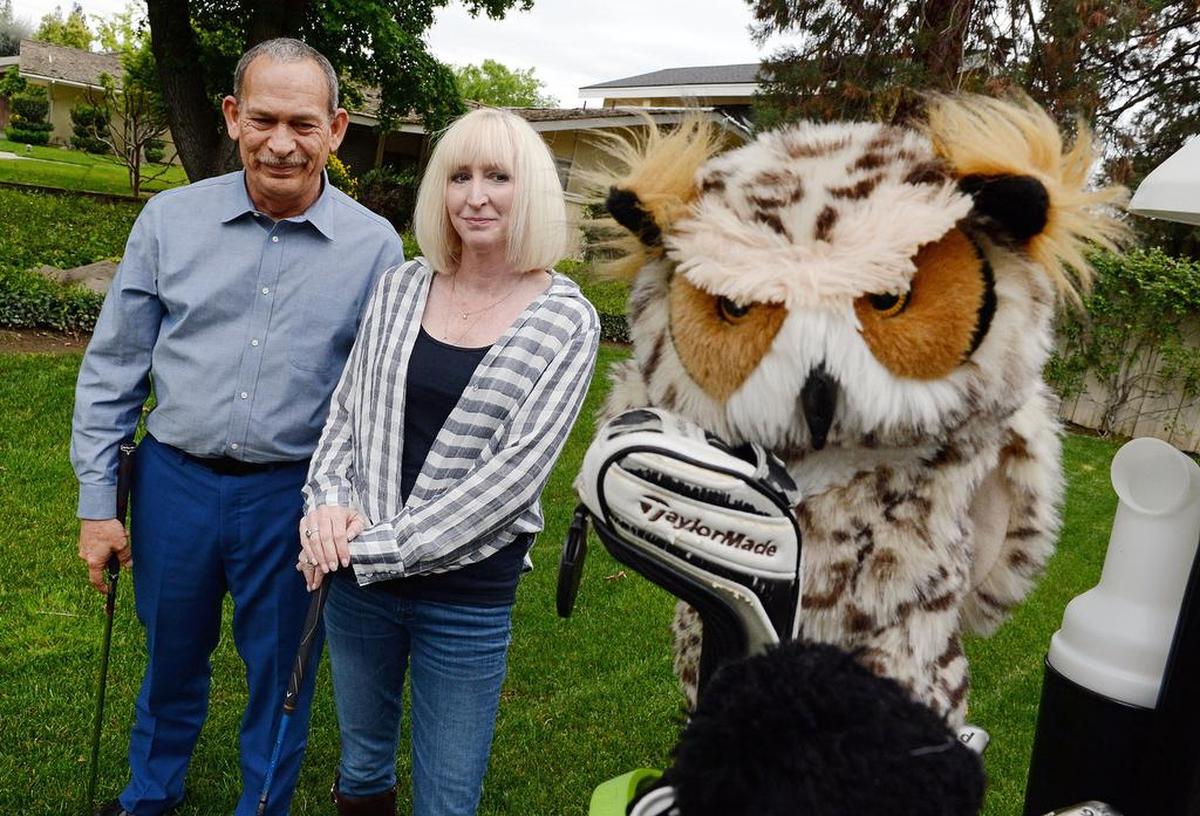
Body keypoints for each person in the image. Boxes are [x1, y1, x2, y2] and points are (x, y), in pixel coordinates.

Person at [71, 38, 405, 816]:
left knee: (281, 675)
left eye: (302, 122)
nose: (281, 142)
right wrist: (98, 505)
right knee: (170, 662)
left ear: (337, 129)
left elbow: (376, 399)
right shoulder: (169, 221)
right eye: (262, 118)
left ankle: (263, 805)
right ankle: (148, 796)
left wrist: (351, 503)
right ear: (232, 116)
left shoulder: (375, 249)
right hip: (172, 485)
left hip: (292, 498)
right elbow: (114, 367)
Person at [298, 107, 600, 816]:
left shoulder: (566, 320)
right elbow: (347, 411)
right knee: (363, 765)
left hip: (463, 597)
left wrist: (366, 548)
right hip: (360, 590)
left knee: (448, 796)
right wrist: (322, 508)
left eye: (499, 176)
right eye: (459, 175)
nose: (476, 195)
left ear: (532, 193)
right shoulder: (403, 285)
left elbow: (511, 481)